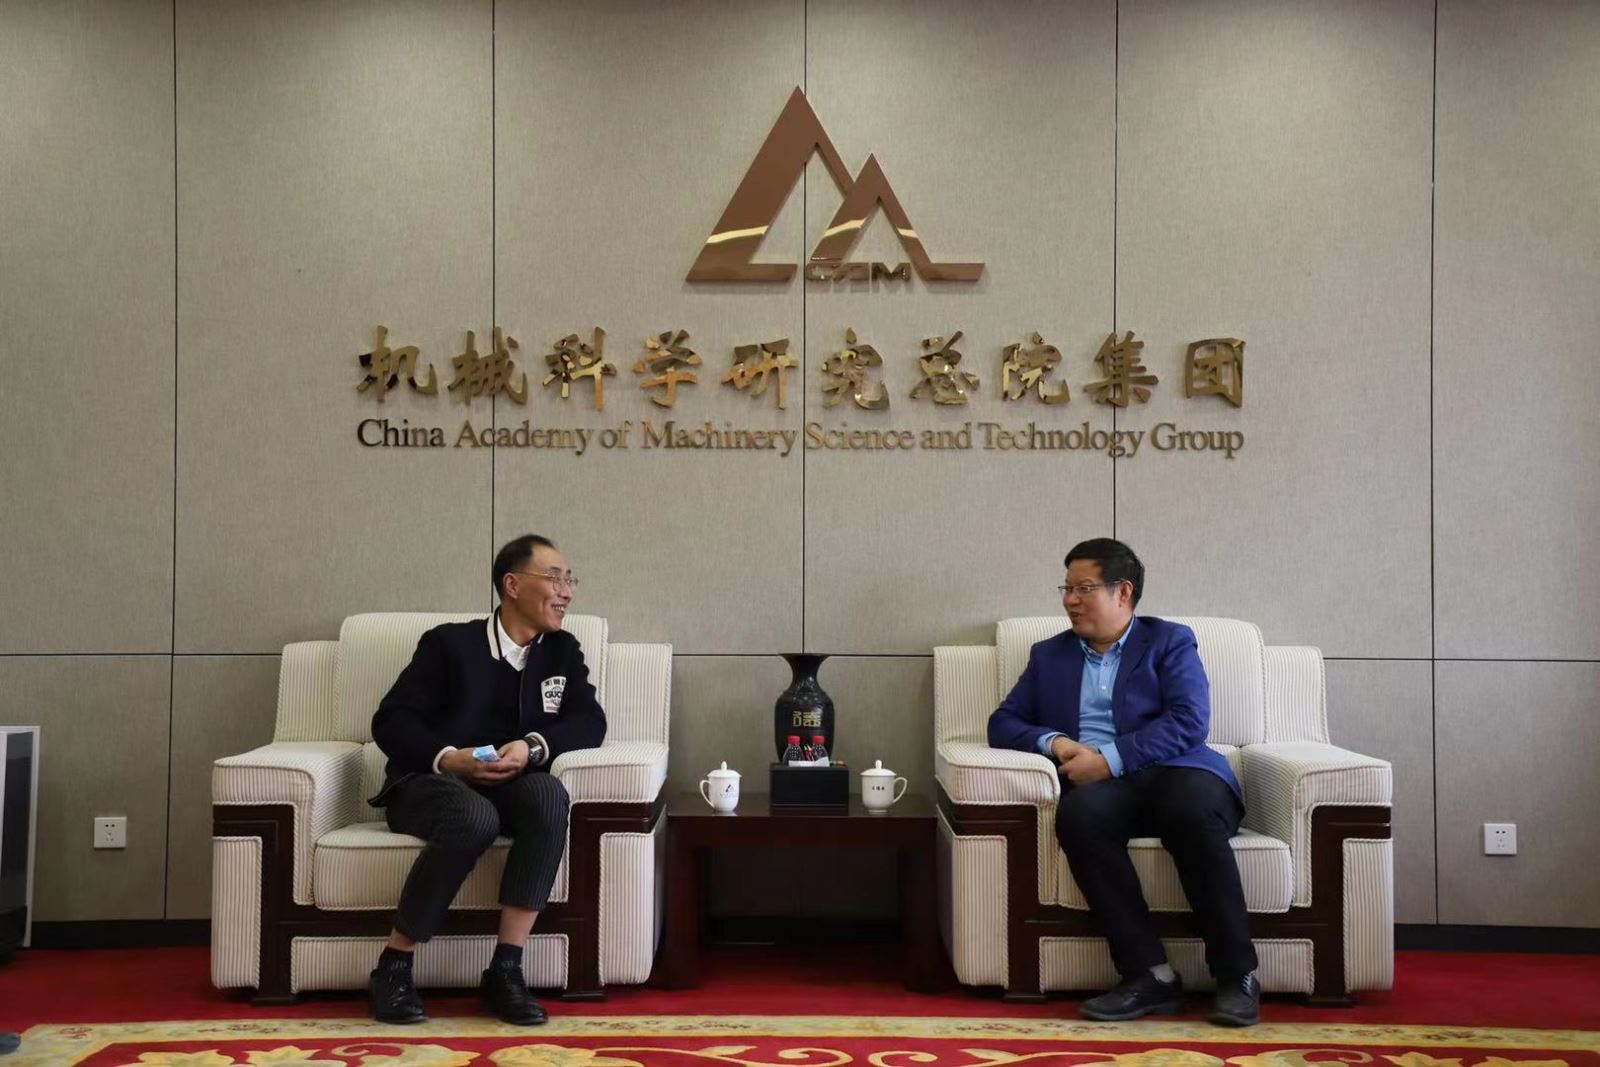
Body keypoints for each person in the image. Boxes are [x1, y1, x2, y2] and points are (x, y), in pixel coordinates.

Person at [987, 538, 1260, 1027]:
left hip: (1181, 772)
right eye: (1066, 589)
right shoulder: (1049, 655)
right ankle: (1150, 975)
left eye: (1084, 589)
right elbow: (1003, 722)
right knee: (1079, 815)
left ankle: (1236, 974)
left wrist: (1109, 760)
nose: (1070, 600)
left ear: (1123, 592)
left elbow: (1189, 721)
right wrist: (1057, 744)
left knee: (1190, 811)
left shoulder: (1169, 641)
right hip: (1107, 793)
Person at [365, 533, 604, 1025]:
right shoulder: (448, 644)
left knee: (548, 795)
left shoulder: (561, 651)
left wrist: (532, 746)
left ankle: (505, 970)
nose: (567, 592)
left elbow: (590, 722)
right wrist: (449, 758)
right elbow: (391, 721)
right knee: (474, 816)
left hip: (509, 783)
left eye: (569, 580)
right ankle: (393, 966)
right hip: (428, 782)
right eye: (554, 578)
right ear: (512, 585)